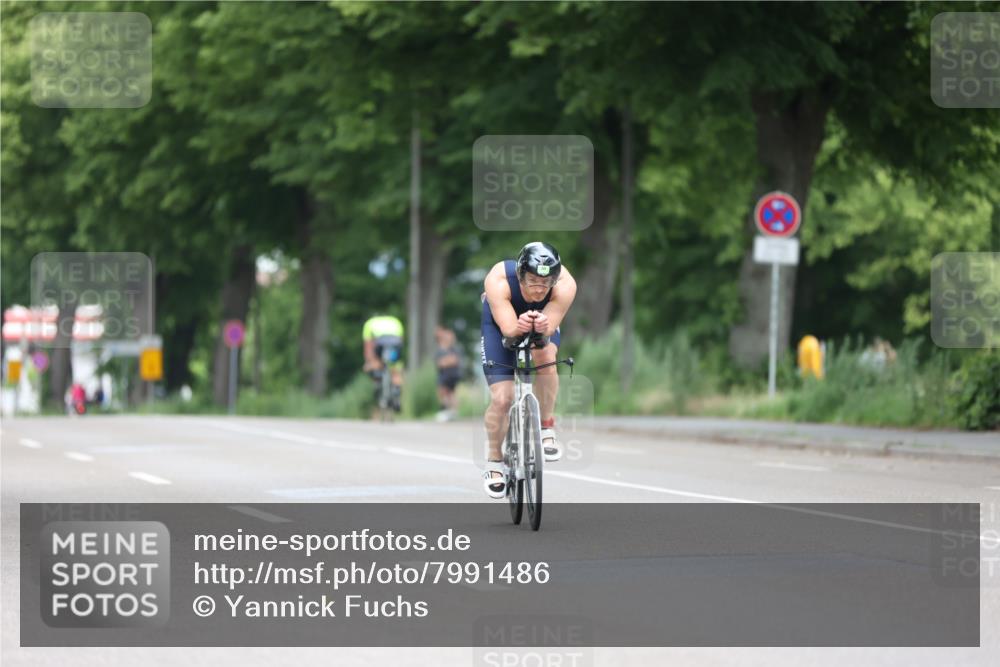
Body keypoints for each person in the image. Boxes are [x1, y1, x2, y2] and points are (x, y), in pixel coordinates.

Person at [480, 242, 577, 498]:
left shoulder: (566, 285)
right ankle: (494, 461)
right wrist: (518, 326)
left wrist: (543, 326)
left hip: (542, 318)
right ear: (521, 274)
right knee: (503, 398)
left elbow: (546, 332)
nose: (538, 288)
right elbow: (510, 332)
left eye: (546, 283)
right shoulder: (499, 278)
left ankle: (546, 427)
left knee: (544, 354)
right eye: (533, 280)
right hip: (501, 320)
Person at [362, 314, 405, 411]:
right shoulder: (395, 320)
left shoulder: (369, 324)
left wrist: (369, 362)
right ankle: (397, 392)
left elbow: (368, 346)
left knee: (377, 363)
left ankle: (378, 383)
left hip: (381, 342)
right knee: (395, 368)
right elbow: (401, 341)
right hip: (395, 343)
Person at [434, 325, 462, 420]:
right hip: (445, 373)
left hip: (449, 374)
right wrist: (447, 361)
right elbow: (440, 363)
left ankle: (450, 411)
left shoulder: (452, 349)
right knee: (446, 393)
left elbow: (454, 360)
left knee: (446, 392)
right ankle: (449, 411)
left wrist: (445, 362)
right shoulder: (441, 349)